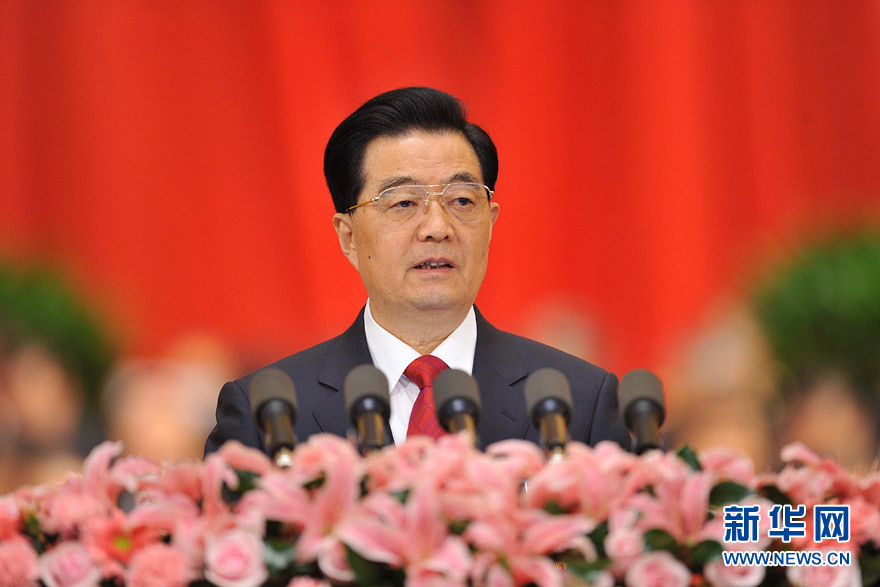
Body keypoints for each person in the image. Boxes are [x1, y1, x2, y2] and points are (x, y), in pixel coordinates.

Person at [204, 87, 629, 454]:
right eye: (404, 203)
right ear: (349, 236)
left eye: (462, 201)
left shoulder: (580, 402)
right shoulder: (268, 413)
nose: (438, 228)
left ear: (490, 222)